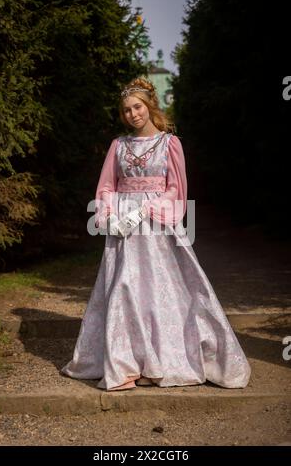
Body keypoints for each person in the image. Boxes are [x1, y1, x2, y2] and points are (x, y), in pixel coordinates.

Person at [61, 77, 251, 391]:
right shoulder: (118, 145)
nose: (132, 114)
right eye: (126, 110)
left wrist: (145, 210)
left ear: (149, 106)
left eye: (137, 107)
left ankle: (161, 362)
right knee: (125, 289)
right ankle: (127, 364)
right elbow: (107, 186)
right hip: (124, 231)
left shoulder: (169, 144)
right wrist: (109, 214)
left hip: (156, 228)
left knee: (159, 292)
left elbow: (176, 189)